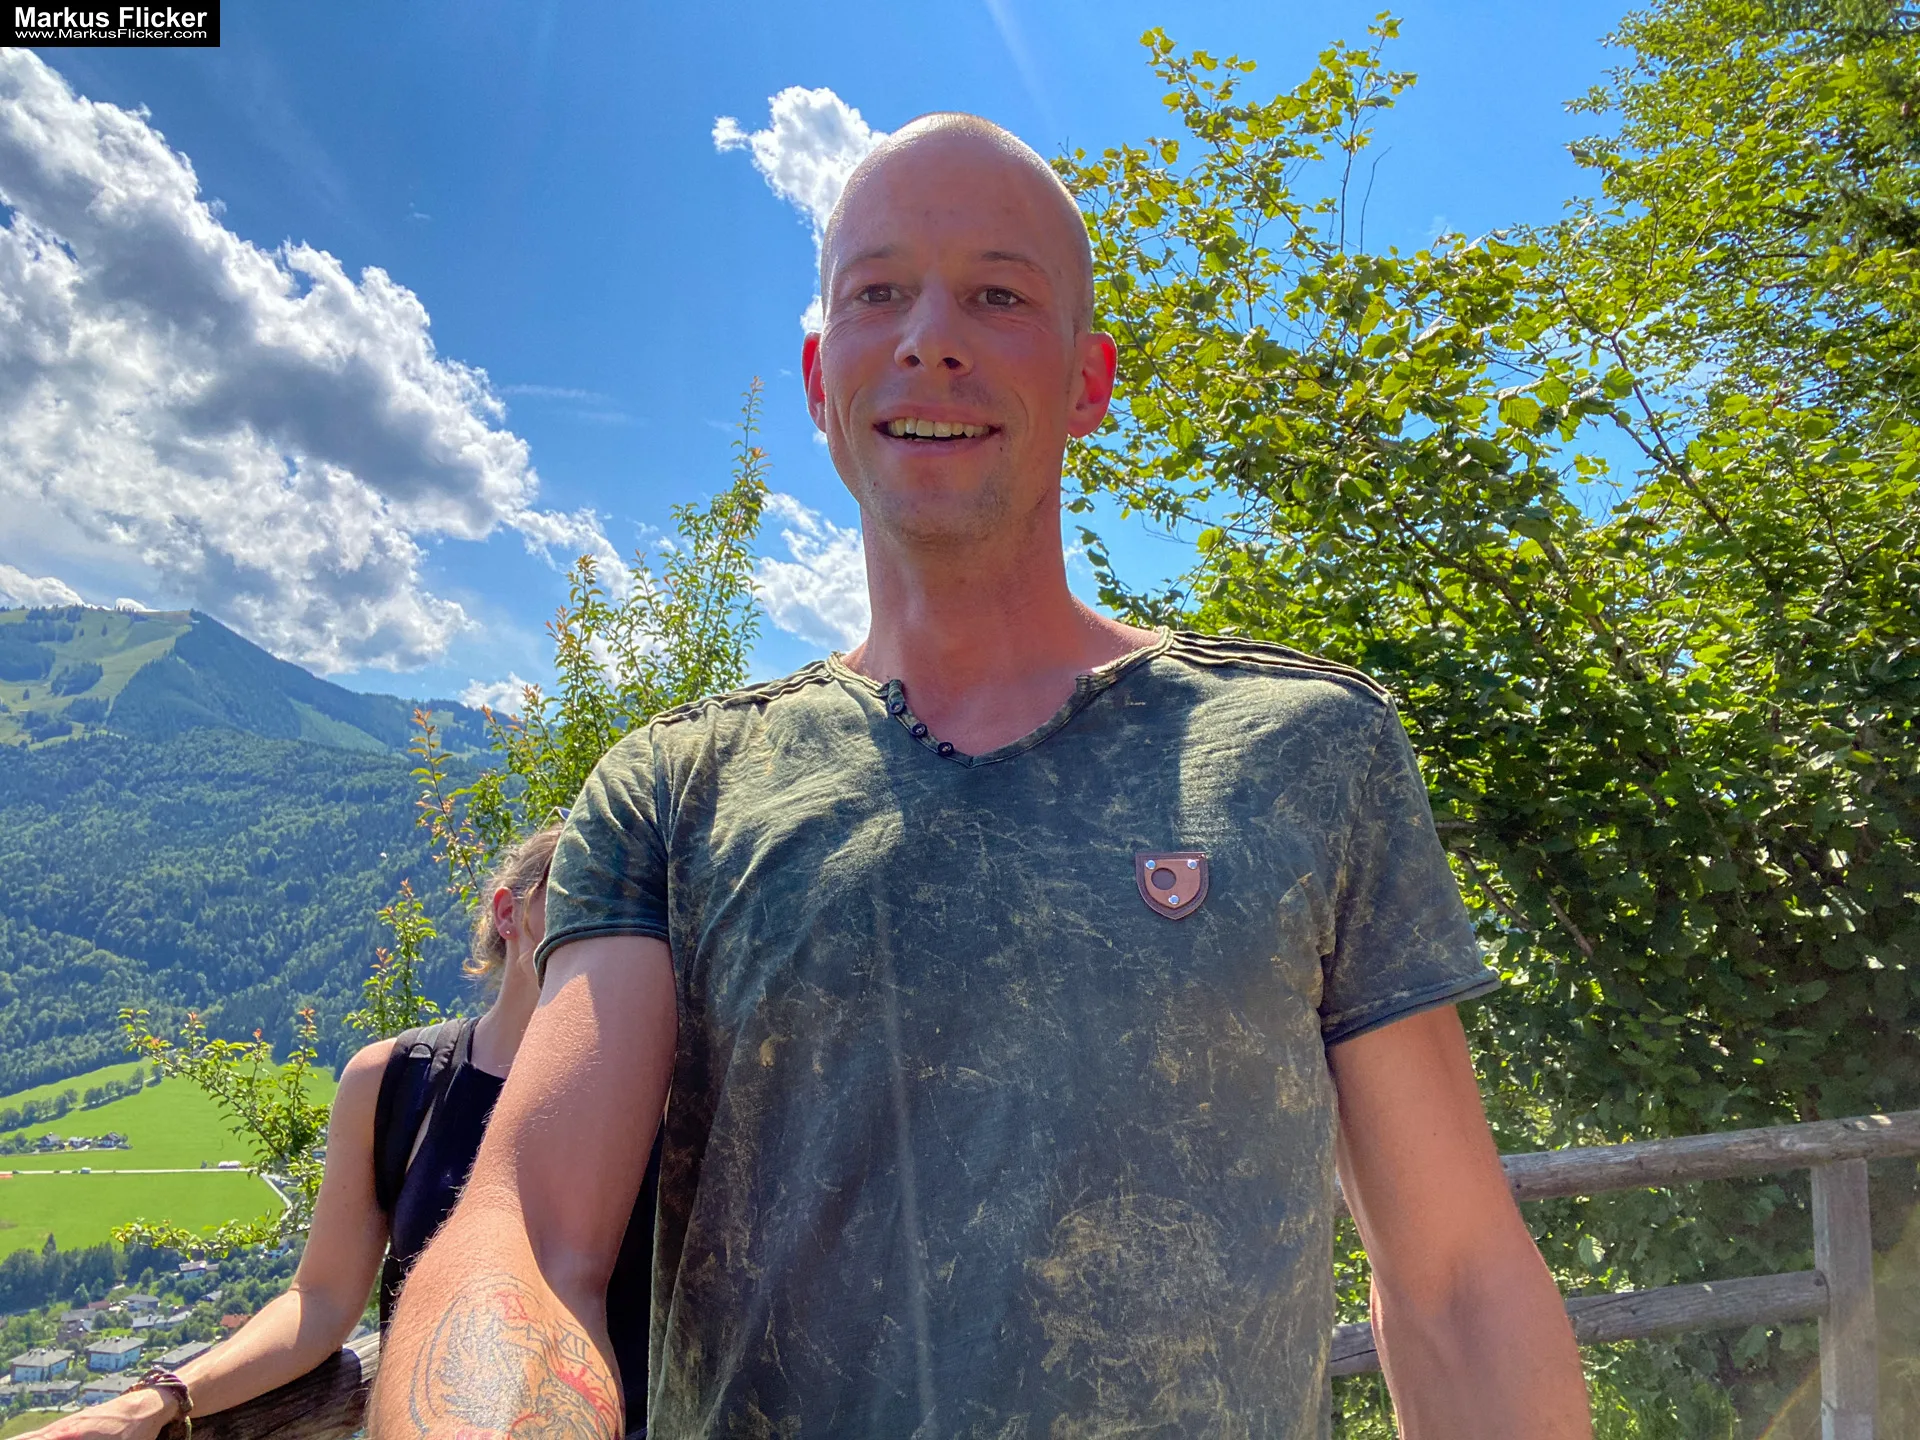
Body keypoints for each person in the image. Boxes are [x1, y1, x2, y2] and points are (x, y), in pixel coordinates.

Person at [373, 114, 1590, 1439]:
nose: (929, 339)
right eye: (877, 293)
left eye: (998, 297)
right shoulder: (676, 790)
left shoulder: (1308, 752)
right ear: (820, 378)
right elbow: (525, 1233)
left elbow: (1456, 1282)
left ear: (1087, 381)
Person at [26, 827, 654, 1440]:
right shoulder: (397, 1083)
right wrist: (158, 1401)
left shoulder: (662, 1093)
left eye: (631, 913)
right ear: (507, 912)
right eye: (575, 892)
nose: (602, 925)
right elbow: (320, 1301)